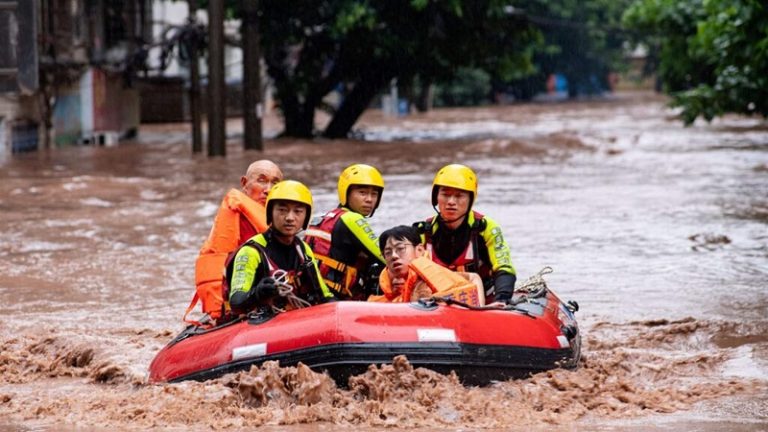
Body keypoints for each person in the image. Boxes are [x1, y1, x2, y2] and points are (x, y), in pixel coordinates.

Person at [184, 160, 283, 323]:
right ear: (244, 183)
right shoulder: (237, 215)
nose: (269, 190)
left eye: (275, 183)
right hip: (238, 305)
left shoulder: (281, 220)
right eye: (262, 180)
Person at [226, 180, 334, 315]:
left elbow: (324, 295)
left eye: (298, 211)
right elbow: (236, 302)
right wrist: (257, 293)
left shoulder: (303, 250)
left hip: (293, 321)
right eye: (282, 210)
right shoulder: (251, 252)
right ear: (270, 213)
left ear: (306, 217)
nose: (290, 218)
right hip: (256, 325)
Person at [415, 164, 517, 304]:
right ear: (436, 197)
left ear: (470, 200)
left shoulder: (486, 228)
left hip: (482, 300)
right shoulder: (423, 231)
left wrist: (502, 299)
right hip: (435, 302)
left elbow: (504, 267)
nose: (451, 202)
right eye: (445, 194)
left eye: (459, 196)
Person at [304, 164, 386, 300]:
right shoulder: (351, 219)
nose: (369, 199)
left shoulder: (326, 218)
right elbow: (385, 256)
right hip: (338, 302)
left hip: (313, 297)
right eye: (362, 193)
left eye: (374, 194)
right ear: (346, 193)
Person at [369, 225, 484, 305]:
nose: (394, 256)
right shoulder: (387, 284)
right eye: (388, 252)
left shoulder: (435, 275)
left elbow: (474, 277)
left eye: (400, 249)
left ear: (419, 250)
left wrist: (480, 308)